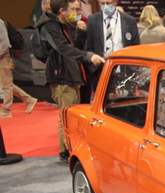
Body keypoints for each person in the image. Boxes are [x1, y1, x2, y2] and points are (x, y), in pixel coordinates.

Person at [41, 0, 104, 160]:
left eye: (78, 9)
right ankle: (68, 152)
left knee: (72, 115)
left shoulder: (66, 26)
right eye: (74, 9)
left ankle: (69, 149)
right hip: (62, 77)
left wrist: (81, 33)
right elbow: (63, 48)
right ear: (62, 11)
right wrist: (88, 56)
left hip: (73, 76)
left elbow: (75, 48)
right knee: (67, 116)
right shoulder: (50, 26)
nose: (77, 13)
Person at [85, 0, 139, 92]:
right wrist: (93, 68)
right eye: (102, 4)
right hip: (101, 70)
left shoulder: (129, 20)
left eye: (108, 3)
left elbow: (135, 46)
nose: (105, 6)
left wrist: (133, 68)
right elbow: (89, 46)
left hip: (125, 71)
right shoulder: (92, 20)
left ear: (116, 2)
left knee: (125, 99)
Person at [0, 19, 38, 118]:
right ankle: (28, 99)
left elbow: (5, 43)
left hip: (3, 58)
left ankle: (6, 110)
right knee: (6, 83)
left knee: (6, 86)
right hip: (2, 57)